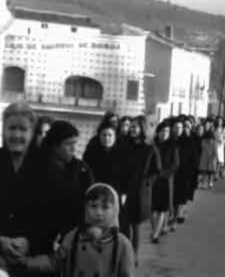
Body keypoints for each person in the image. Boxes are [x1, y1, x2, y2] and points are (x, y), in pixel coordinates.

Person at [20, 183, 135, 277]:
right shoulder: (73, 237)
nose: (99, 213)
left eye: (105, 207)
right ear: (85, 208)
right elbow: (55, 262)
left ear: (115, 211)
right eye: (93, 206)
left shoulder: (122, 244)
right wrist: (25, 263)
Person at [39, 121, 94, 254]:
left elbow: (90, 203)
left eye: (75, 144)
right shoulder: (37, 167)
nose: (73, 149)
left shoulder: (81, 170)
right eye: (68, 144)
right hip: (40, 239)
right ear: (54, 145)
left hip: (71, 239)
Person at [0, 103, 40, 275]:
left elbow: (53, 215)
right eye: (12, 128)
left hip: (34, 259)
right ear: (3, 130)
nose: (17, 135)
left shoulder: (48, 167)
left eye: (23, 129)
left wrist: (30, 241)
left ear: (32, 133)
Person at [123, 116, 161, 266]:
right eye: (131, 126)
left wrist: (147, 183)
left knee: (135, 225)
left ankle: (134, 255)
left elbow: (156, 170)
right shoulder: (125, 145)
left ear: (142, 129)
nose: (132, 129)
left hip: (139, 191)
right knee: (124, 224)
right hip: (124, 189)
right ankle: (124, 253)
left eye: (135, 127)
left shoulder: (149, 148)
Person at [151, 121, 179, 242]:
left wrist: (165, 174)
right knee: (152, 209)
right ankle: (155, 229)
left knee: (162, 208)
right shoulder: (152, 145)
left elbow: (176, 164)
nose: (164, 134)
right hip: (152, 180)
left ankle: (155, 234)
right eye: (162, 131)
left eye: (167, 131)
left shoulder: (173, 146)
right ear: (158, 132)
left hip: (166, 180)